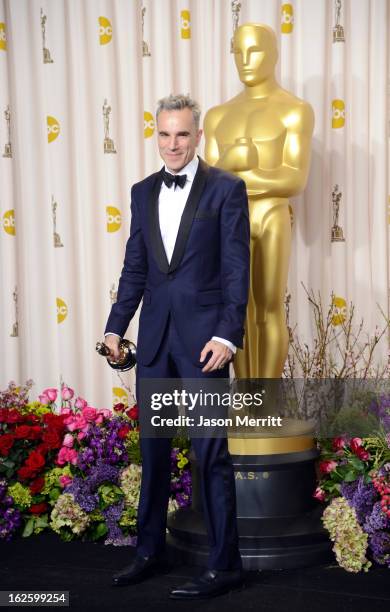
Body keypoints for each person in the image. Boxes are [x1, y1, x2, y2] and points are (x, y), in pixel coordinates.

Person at [103, 94, 250, 599]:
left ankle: (225, 564)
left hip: (206, 342)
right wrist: (114, 328)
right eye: (164, 134)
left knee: (210, 454)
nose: (172, 144)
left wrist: (228, 335)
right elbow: (136, 268)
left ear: (198, 136)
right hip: (156, 341)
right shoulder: (142, 191)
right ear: (156, 135)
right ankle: (149, 551)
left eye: (182, 134)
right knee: (155, 451)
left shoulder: (227, 189)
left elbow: (236, 270)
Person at [204, 23, 314, 379]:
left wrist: (236, 170)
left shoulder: (294, 110)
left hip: (270, 215)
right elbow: (205, 184)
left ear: (274, 54)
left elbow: (294, 178)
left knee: (267, 308)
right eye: (238, 51)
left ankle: (266, 401)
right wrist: (235, 165)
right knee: (235, 310)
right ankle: (247, 395)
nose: (245, 60)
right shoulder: (217, 115)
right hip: (227, 220)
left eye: (255, 51)